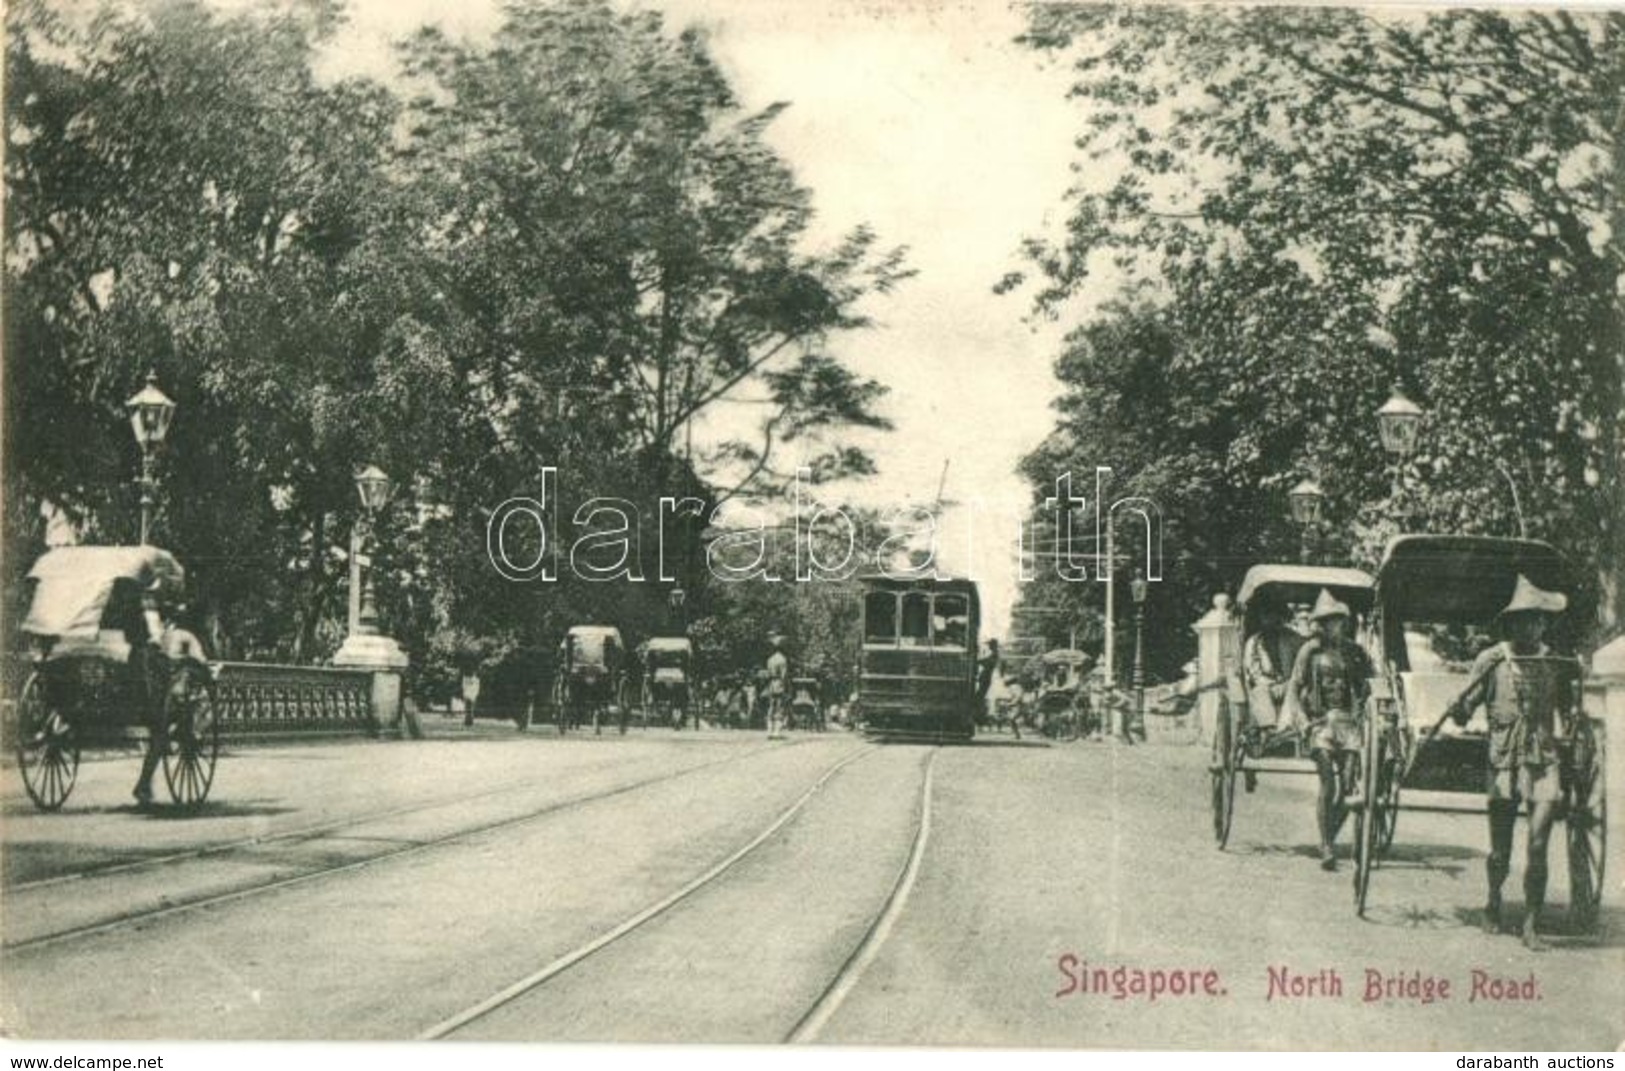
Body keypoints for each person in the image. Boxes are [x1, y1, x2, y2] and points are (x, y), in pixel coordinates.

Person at [1444, 575, 1571, 950]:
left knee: (1537, 845)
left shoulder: (1555, 662)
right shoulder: (1491, 660)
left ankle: (1532, 923)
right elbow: (1465, 713)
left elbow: (1571, 710)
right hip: (1503, 762)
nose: (1531, 626)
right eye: (1523, 619)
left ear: (1544, 623)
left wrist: (1575, 726)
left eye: (1537, 619)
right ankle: (1494, 901)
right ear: (1510, 623)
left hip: (1544, 760)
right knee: (1501, 849)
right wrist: (1458, 708)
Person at [1288, 589, 1373, 871]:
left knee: (1349, 787)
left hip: (1348, 724)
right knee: (1329, 783)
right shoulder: (1309, 651)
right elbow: (1295, 686)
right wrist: (1300, 718)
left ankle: (1328, 837)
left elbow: (1366, 687)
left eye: (1339, 621)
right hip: (1319, 723)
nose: (1336, 626)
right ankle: (1326, 845)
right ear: (1321, 625)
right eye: (1330, 621)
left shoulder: (1353, 652)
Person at [134, 595, 210, 808]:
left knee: (160, 735)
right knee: (162, 732)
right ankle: (143, 784)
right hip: (168, 698)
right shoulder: (186, 637)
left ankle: (144, 784)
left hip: (145, 692)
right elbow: (200, 663)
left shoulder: (155, 637)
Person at [765, 634, 790, 740]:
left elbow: (768, 673)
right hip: (779, 683)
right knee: (780, 707)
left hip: (771, 684)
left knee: (771, 707)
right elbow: (784, 675)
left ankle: (769, 731)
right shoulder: (782, 659)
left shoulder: (770, 659)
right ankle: (777, 732)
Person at [976, 639, 1001, 724]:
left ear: (993, 645)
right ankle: (981, 716)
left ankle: (981, 717)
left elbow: (988, 662)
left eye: (990, 645)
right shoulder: (994, 654)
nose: (989, 646)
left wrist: (978, 661)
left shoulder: (995, 654)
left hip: (986, 678)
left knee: (979, 697)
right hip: (985, 677)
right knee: (979, 696)